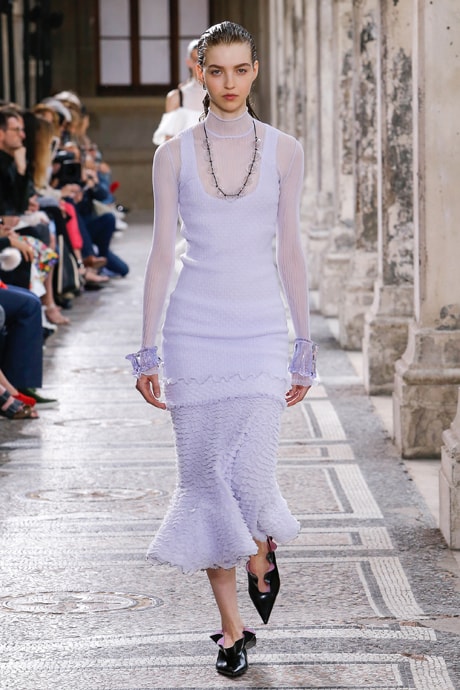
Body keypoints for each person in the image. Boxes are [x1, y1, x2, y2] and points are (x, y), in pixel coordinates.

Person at [127, 22, 317, 679]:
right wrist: (146, 350)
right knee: (206, 478)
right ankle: (232, 630)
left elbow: (290, 249)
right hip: (193, 331)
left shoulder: (286, 151)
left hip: (262, 330)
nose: (230, 82)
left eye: (241, 69)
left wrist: (303, 339)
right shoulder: (172, 154)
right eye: (217, 71)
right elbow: (157, 259)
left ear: (255, 71)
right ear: (199, 73)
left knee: (250, 474)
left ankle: (261, 545)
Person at [152, 39, 204, 145]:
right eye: (195, 60)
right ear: (188, 62)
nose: (199, 65)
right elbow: (168, 140)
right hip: (184, 158)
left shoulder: (219, 94)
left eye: (202, 60)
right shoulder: (176, 97)